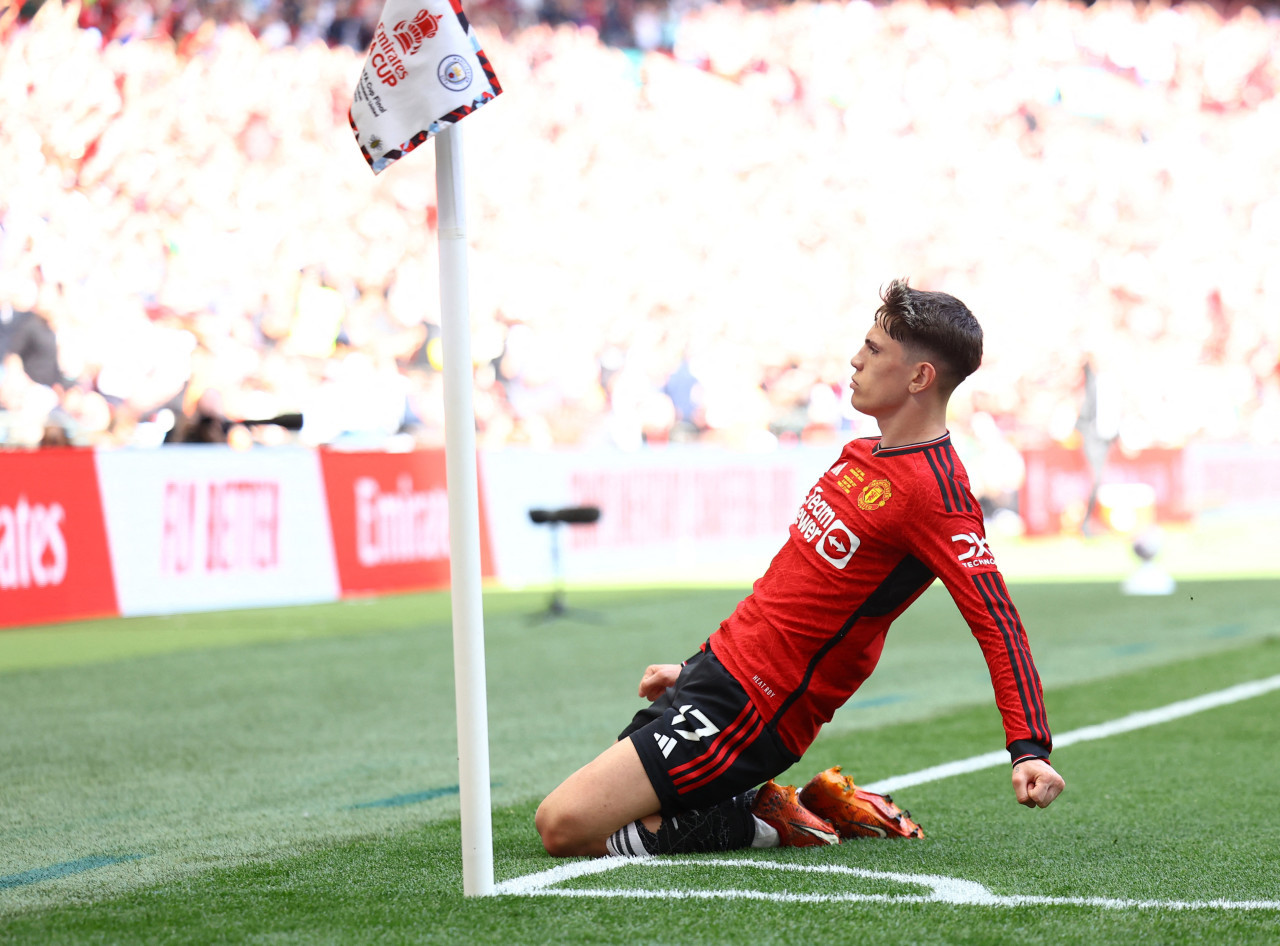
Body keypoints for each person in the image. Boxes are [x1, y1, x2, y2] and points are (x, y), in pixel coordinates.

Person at [535, 278, 1066, 858]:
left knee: (563, 826)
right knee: (616, 808)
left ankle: (769, 822)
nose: (855, 359)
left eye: (875, 349)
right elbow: (790, 586)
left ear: (919, 378)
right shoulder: (861, 454)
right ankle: (769, 802)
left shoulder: (937, 494)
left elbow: (998, 622)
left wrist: (1029, 747)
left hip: (757, 709)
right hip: (719, 676)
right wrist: (695, 664)